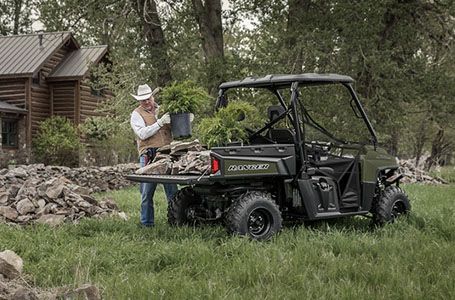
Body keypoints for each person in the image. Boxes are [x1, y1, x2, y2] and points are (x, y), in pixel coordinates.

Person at [130, 84, 178, 227]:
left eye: (148, 98)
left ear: (152, 96)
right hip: (149, 154)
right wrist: (159, 122)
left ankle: (176, 221)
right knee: (147, 192)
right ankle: (147, 224)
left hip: (167, 153)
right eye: (143, 100)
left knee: (172, 190)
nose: (146, 102)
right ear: (139, 101)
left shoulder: (162, 110)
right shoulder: (136, 114)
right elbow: (142, 134)